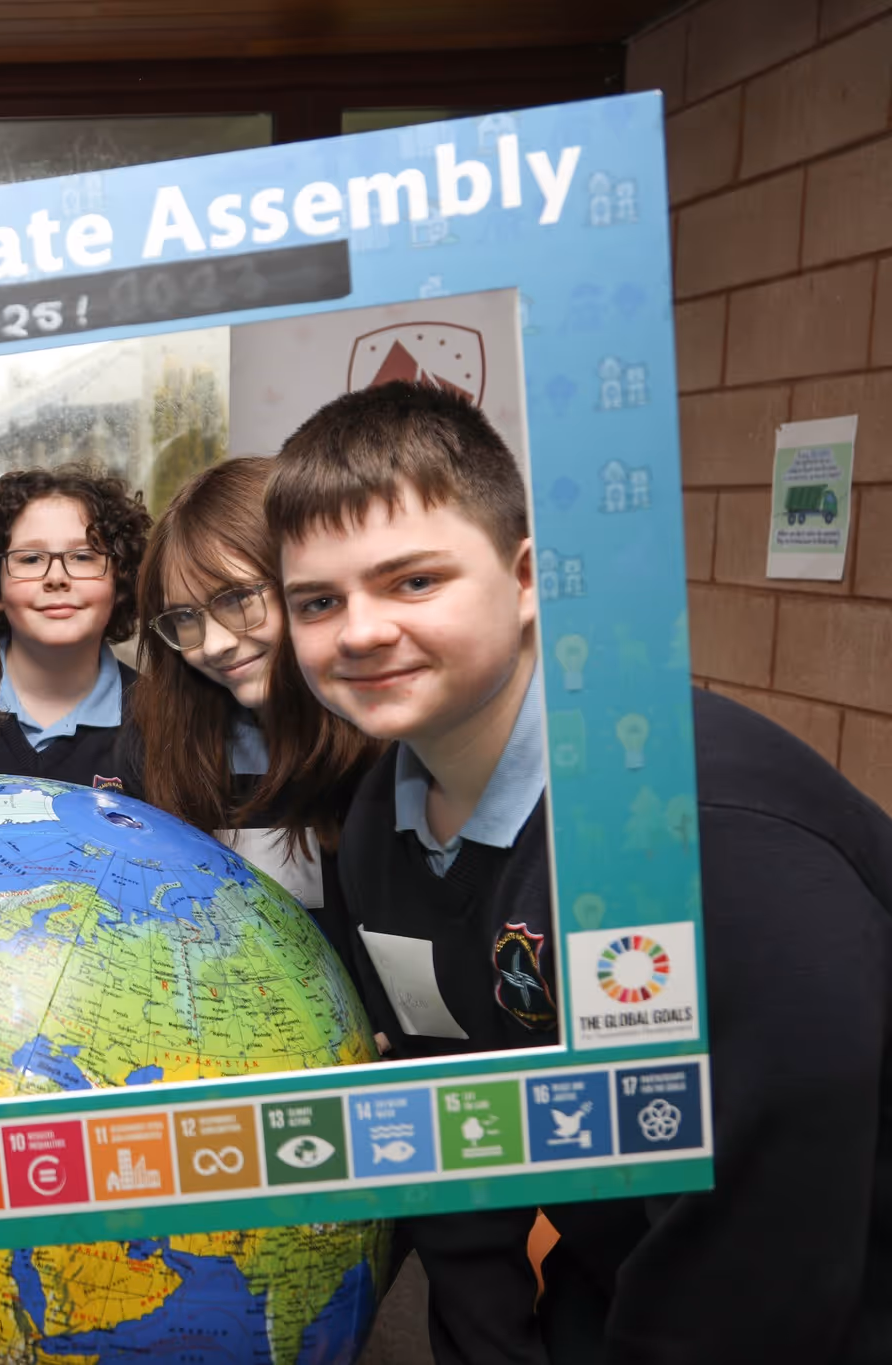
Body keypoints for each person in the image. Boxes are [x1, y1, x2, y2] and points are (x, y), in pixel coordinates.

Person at [269, 380, 892, 1364]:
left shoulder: (688, 833)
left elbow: (762, 1250)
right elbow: (459, 1127)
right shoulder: (381, 825)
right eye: (317, 601)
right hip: (608, 1285)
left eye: (414, 581)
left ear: (527, 579)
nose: (359, 631)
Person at [128, 456, 378, 965]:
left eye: (238, 599)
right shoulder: (157, 743)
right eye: (184, 618)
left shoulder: (396, 743)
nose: (215, 644)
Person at [0, 464, 150, 789]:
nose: (56, 577)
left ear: (119, 582)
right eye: (31, 559)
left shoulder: (164, 721)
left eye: (83, 557)